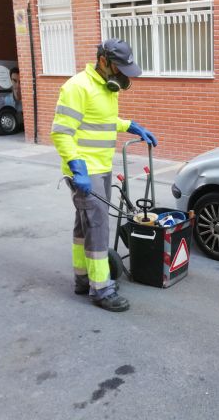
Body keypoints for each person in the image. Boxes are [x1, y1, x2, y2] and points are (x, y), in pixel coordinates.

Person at [51, 38, 158, 312]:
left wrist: (130, 125)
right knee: (98, 227)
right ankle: (101, 290)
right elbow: (62, 133)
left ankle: (82, 278)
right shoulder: (76, 87)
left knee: (83, 224)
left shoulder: (108, 89)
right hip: (86, 171)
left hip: (102, 167)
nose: (123, 76)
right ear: (103, 61)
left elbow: (101, 121)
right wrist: (78, 169)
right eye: (120, 69)